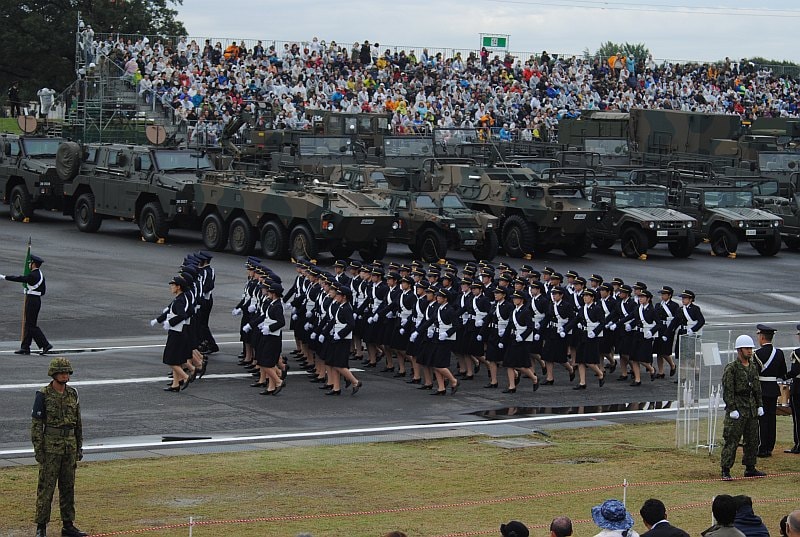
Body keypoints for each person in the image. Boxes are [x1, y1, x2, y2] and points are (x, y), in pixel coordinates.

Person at [31, 357, 88, 537]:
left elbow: (78, 422)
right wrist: (39, 450)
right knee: (46, 489)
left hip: (69, 447)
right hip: (50, 448)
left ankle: (68, 525)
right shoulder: (43, 394)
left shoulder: (73, 393)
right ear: (53, 374)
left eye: (67, 372)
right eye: (61, 372)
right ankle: (41, 527)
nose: (65, 375)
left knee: (68, 487)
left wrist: (79, 446)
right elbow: (36, 425)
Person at [720, 334, 765, 480]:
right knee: (732, 440)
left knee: (752, 440)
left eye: (750, 348)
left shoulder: (753, 367)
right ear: (739, 350)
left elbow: (757, 388)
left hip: (751, 409)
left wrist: (759, 405)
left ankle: (750, 467)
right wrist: (732, 408)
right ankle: (726, 469)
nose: (750, 351)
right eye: (747, 348)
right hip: (738, 409)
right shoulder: (732, 368)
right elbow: (728, 390)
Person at [1, 254, 53, 355]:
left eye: (30, 263)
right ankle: (25, 347)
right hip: (36, 300)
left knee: (31, 325)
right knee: (29, 324)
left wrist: (4, 277)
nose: (29, 264)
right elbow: (43, 291)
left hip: (32, 301)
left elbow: (20, 278)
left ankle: (45, 344)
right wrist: (31, 291)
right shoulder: (40, 275)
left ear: (34, 264)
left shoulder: (33, 275)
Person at [152, 275, 193, 391]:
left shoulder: (179, 300)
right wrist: (159, 320)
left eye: (173, 285)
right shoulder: (183, 298)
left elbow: (182, 315)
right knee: (176, 359)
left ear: (178, 287)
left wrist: (170, 322)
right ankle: (175, 384)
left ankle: (185, 377)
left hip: (176, 333)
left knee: (169, 359)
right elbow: (189, 311)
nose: (171, 287)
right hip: (180, 331)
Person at [753, 324, 787, 458]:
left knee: (762, 419)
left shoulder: (757, 354)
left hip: (761, 388)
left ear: (762, 337)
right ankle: (769, 447)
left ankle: (762, 447)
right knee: (771, 418)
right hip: (773, 388)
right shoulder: (779, 353)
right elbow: (782, 373)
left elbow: (754, 373)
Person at [785, 324, 800, 454]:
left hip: (798, 388)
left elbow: (795, 371)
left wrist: (784, 376)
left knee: (798, 417)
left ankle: (798, 444)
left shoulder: (797, 353)